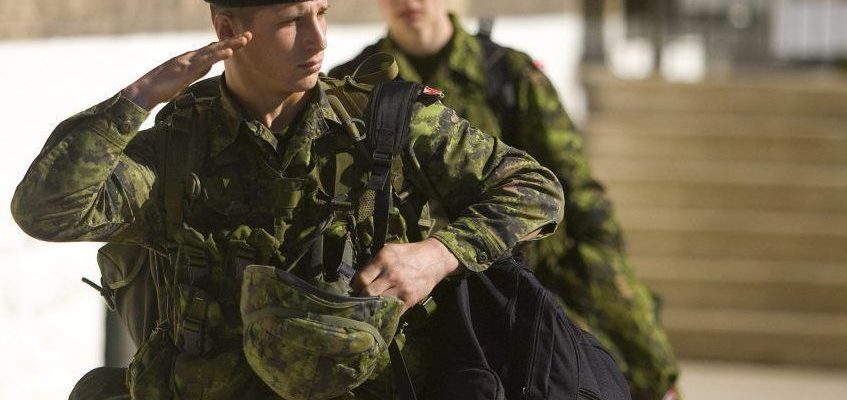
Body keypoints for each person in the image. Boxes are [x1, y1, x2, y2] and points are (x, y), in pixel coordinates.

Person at [11, 0, 564, 399]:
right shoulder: (176, 152)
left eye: (321, 13)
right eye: (292, 20)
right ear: (228, 28)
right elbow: (46, 209)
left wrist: (436, 255)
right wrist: (138, 98)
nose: (318, 40)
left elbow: (535, 189)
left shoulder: (383, 124)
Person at [329, 1, 680, 399]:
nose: (411, 2)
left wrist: (652, 363)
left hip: (521, 287)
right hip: (412, 303)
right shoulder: (357, 85)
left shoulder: (508, 74)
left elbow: (576, 195)